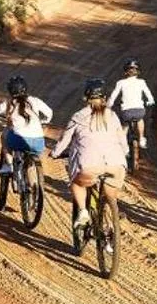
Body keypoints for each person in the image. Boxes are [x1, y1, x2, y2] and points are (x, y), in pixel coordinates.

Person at [52, 77, 129, 252]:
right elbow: (122, 142)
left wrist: (55, 153)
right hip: (116, 165)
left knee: (77, 184)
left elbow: (65, 140)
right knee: (110, 198)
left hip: (90, 166)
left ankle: (83, 211)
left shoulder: (78, 116)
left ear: (85, 97)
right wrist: (125, 153)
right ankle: (110, 232)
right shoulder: (113, 115)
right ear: (104, 97)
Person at [0, 75, 52, 178]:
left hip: (18, 141)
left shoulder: (9, 103)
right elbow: (49, 112)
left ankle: (9, 165)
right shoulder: (35, 101)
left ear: (10, 91)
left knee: (4, 136)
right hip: (39, 143)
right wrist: (43, 121)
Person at [106, 59, 156, 160]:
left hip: (126, 112)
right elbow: (149, 97)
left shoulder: (120, 83)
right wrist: (149, 102)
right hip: (139, 110)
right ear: (138, 72)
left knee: (124, 127)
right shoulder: (142, 82)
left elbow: (113, 96)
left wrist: (108, 105)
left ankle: (124, 149)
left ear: (125, 72)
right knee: (140, 120)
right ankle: (141, 138)